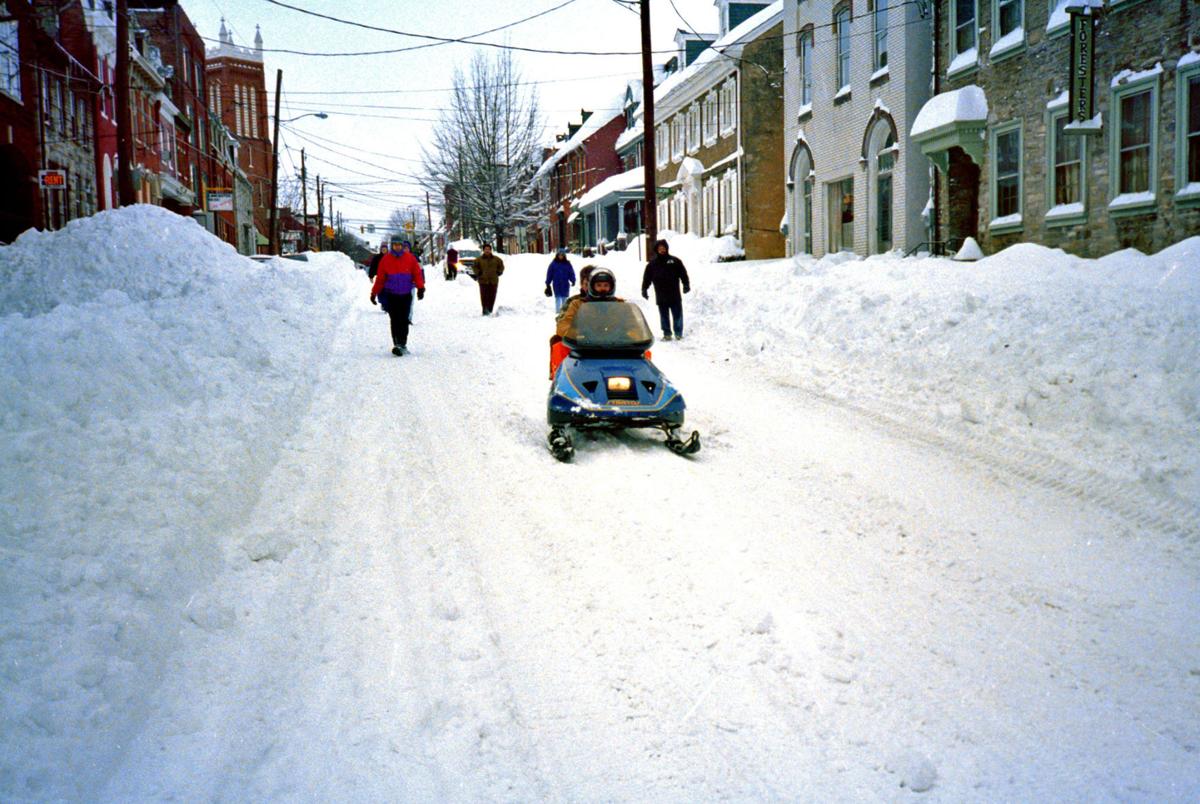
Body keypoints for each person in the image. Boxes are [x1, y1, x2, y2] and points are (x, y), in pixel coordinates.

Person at [369, 236, 425, 356]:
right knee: (395, 320)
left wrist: (421, 288)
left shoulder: (410, 259)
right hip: (392, 295)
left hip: (405, 294)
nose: (397, 247)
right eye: (395, 245)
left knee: (404, 320)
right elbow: (380, 279)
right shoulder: (386, 260)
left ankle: (402, 343)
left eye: (399, 245)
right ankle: (396, 344)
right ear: (391, 246)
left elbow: (417, 274)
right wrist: (374, 293)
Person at [641, 238, 690, 341]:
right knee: (664, 316)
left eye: (664, 248)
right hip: (661, 295)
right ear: (656, 250)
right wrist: (644, 289)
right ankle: (667, 333)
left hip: (674, 294)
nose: (662, 250)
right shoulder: (652, 265)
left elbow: (683, 274)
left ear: (667, 249)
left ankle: (678, 333)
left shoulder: (675, 261)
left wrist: (686, 285)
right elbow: (647, 278)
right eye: (660, 248)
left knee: (677, 315)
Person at [474, 242, 504, 315]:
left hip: (493, 281)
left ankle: (490, 309)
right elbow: (474, 267)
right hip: (483, 281)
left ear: (491, 250)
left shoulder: (496, 259)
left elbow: (501, 266)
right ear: (483, 250)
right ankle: (485, 309)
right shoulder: (479, 259)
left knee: (492, 296)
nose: (487, 250)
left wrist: (499, 272)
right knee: (484, 296)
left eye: (488, 249)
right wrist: (478, 273)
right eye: (485, 249)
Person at [544, 248, 576, 313]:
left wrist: (573, 280)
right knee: (557, 298)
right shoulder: (553, 264)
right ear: (557, 255)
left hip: (565, 284)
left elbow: (571, 272)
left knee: (564, 298)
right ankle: (558, 312)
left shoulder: (567, 264)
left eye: (562, 255)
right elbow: (549, 274)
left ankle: (564, 312)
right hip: (556, 284)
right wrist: (548, 283)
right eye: (559, 255)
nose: (561, 256)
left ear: (564, 256)